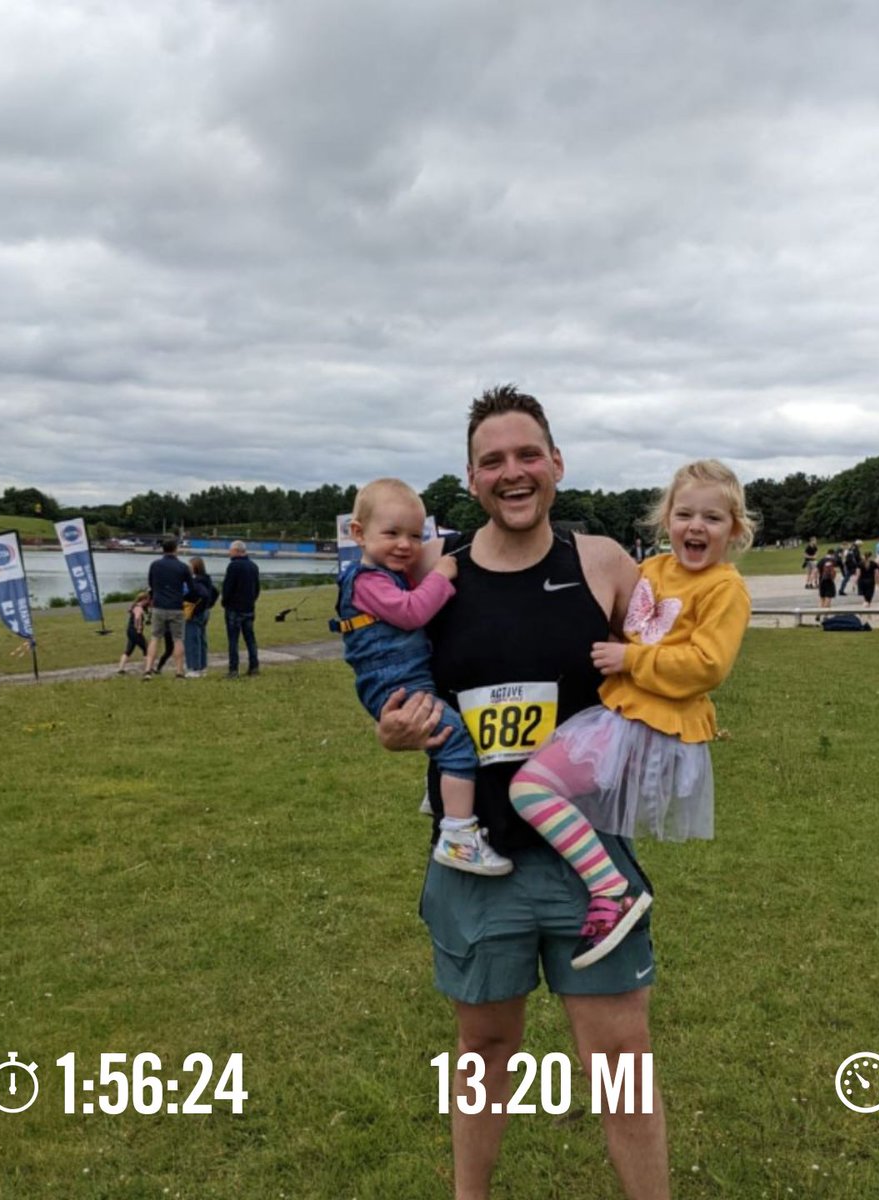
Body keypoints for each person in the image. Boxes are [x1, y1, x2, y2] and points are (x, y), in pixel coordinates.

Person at [377, 386, 670, 1198]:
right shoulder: (436, 576)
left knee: (622, 1064)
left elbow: (669, 659)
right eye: (493, 460)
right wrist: (391, 730)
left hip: (590, 860)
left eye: (528, 455)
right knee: (484, 1053)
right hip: (478, 856)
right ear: (470, 479)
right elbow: (394, 686)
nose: (514, 472)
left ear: (557, 465)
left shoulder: (603, 561)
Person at [508, 459, 751, 968]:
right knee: (545, 781)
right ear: (667, 520)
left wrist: (630, 659)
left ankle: (609, 888)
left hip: (651, 728)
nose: (696, 527)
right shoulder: (654, 570)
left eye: (712, 518)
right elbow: (624, 615)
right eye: (685, 514)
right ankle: (598, 886)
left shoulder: (725, 588)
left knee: (530, 788)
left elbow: (707, 666)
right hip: (620, 715)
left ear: (735, 529)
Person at [332, 478, 511, 875]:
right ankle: (459, 836)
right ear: (358, 534)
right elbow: (412, 612)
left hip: (405, 680)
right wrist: (441, 575)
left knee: (448, 732)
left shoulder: (381, 574)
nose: (405, 545)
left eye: (415, 535)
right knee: (459, 746)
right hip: (397, 685)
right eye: (392, 533)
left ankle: (443, 793)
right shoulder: (369, 582)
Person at [142, 538, 192, 680]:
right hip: (176, 606)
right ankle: (179, 671)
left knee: (155, 637)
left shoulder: (155, 565)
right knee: (178, 639)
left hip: (159, 606)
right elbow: (191, 588)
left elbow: (151, 584)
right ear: (176, 549)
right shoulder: (183, 567)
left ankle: (148, 670)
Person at [221, 541, 261, 678]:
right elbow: (257, 588)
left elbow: (228, 587)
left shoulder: (233, 566)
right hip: (249, 607)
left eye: (230, 550)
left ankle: (233, 669)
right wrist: (251, 600)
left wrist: (224, 601)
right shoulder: (253, 566)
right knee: (250, 638)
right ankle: (254, 666)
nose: (229, 553)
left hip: (234, 608)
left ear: (237, 551)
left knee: (233, 640)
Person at [184, 556, 219, 677]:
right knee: (201, 639)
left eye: (189, 566)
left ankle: (194, 668)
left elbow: (202, 595)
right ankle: (202, 666)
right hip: (205, 612)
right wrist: (209, 605)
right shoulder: (207, 580)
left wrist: (196, 607)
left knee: (192, 639)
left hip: (196, 612)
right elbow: (215, 592)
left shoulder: (195, 582)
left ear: (195, 567)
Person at [117, 589, 150, 674]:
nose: (148, 602)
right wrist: (138, 627)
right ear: (143, 600)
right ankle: (147, 668)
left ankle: (121, 668)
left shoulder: (135, 606)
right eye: (147, 600)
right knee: (147, 648)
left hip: (130, 631)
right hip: (135, 631)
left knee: (129, 650)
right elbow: (137, 618)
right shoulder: (139, 608)